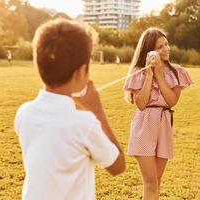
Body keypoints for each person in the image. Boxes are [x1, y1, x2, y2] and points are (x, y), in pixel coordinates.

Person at [14, 19, 125, 200]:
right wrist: (98, 111)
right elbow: (118, 166)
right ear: (81, 72)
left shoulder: (24, 113)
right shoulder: (84, 123)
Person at [123, 27, 192, 199]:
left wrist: (160, 76)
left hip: (164, 125)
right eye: (160, 47)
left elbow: (172, 101)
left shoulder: (177, 72)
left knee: (157, 181)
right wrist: (148, 76)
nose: (166, 49)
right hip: (144, 125)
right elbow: (140, 104)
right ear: (149, 51)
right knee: (151, 183)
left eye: (166, 44)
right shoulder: (139, 71)